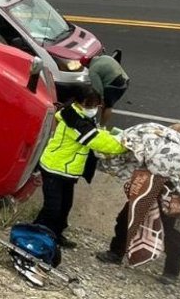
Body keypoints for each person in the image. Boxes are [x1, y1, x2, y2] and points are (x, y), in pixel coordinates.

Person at [97, 109, 180, 284]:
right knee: (127, 217)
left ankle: (171, 272)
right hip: (151, 184)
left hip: (177, 196)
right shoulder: (176, 131)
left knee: (174, 233)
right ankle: (115, 253)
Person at [33, 88, 128, 249]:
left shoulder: (80, 116)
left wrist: (116, 137)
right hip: (54, 168)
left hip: (67, 171)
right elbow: (95, 139)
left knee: (64, 207)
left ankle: (55, 235)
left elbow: (97, 133)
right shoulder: (73, 120)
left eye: (96, 106)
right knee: (52, 208)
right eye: (91, 105)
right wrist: (124, 145)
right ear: (80, 103)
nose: (94, 109)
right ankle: (36, 235)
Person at [88, 54, 130, 127]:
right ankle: (101, 123)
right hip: (125, 81)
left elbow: (98, 88)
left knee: (107, 106)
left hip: (115, 86)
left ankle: (102, 126)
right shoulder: (106, 57)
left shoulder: (92, 70)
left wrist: (101, 100)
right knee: (106, 105)